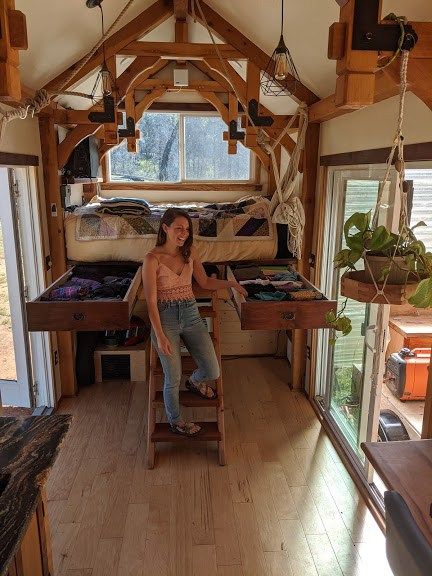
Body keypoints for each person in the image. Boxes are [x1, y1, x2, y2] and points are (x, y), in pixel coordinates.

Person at [143, 207, 248, 436]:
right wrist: (159, 335)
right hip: (165, 317)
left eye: (187, 229)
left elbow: (205, 283)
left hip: (191, 313)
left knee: (212, 369)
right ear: (165, 228)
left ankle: (194, 382)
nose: (183, 233)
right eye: (178, 228)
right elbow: (150, 302)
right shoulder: (152, 259)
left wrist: (231, 285)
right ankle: (176, 421)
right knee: (172, 376)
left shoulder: (190, 253)